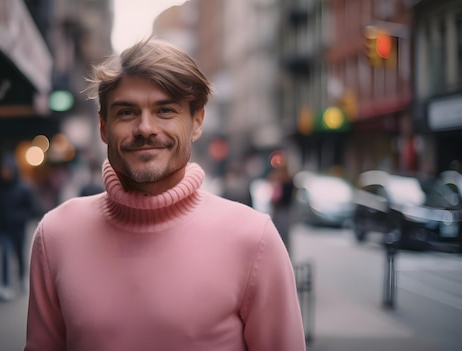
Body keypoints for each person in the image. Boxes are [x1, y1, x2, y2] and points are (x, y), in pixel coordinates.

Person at [24, 38, 305, 351]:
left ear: (196, 122)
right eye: (127, 112)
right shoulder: (56, 235)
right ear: (103, 127)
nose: (145, 128)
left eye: (165, 110)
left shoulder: (255, 239)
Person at [0, 152, 43, 301]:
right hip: (4, 228)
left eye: (7, 169)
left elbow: (33, 209)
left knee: (20, 255)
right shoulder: (0, 188)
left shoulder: (24, 188)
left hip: (19, 228)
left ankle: (22, 277)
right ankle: (5, 284)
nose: (5, 173)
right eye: (3, 170)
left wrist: (18, 217)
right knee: (4, 256)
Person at [269, 161, 295, 254]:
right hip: (286, 210)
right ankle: (285, 253)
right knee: (284, 234)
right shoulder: (289, 179)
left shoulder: (279, 179)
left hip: (280, 209)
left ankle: (278, 252)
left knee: (279, 232)